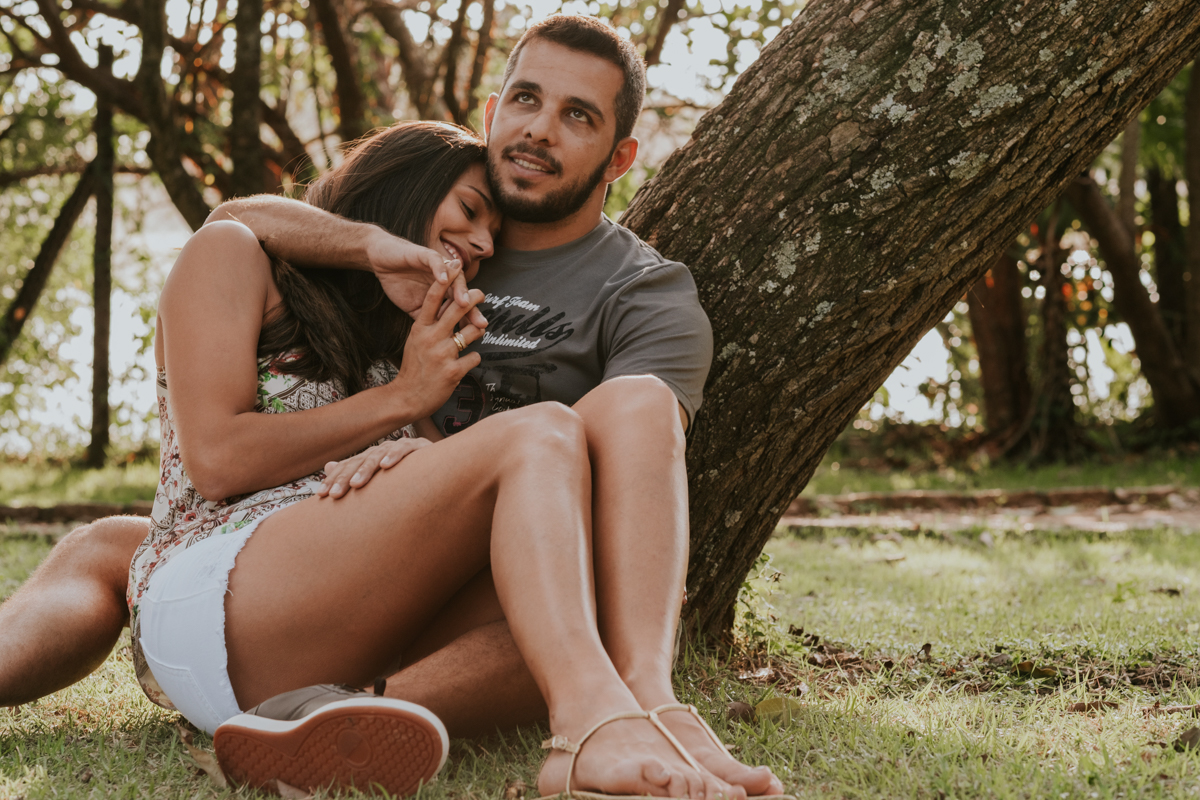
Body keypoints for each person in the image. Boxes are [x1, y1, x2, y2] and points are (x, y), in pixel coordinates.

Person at [0, 14, 788, 799]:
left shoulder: (428, 325)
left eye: (576, 115)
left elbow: (432, 468)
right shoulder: (271, 267)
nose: (480, 243)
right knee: (539, 435)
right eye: (468, 209)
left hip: (333, 605)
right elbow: (218, 445)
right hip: (224, 587)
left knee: (586, 577)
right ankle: (588, 731)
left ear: (619, 155)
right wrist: (380, 287)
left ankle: (341, 722)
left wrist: (417, 439)